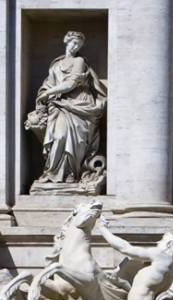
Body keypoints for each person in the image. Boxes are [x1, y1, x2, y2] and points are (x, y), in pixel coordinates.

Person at [26, 31, 107, 192]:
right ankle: (52, 174)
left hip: (78, 106)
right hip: (58, 106)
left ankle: (71, 175)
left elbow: (71, 83)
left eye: (79, 44)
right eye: (73, 43)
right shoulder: (56, 65)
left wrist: (48, 93)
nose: (75, 46)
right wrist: (45, 95)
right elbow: (48, 84)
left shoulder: (79, 61)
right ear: (66, 41)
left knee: (71, 140)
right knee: (58, 137)